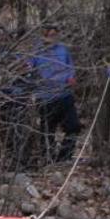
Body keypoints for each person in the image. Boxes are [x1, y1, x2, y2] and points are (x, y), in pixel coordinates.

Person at [29, 24, 81, 163]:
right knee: (47, 130)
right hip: (45, 96)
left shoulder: (63, 50)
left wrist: (71, 78)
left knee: (74, 126)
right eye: (50, 35)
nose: (53, 38)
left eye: (55, 35)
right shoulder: (36, 52)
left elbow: (71, 68)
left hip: (64, 94)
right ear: (44, 35)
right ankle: (48, 159)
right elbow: (28, 71)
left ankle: (64, 157)